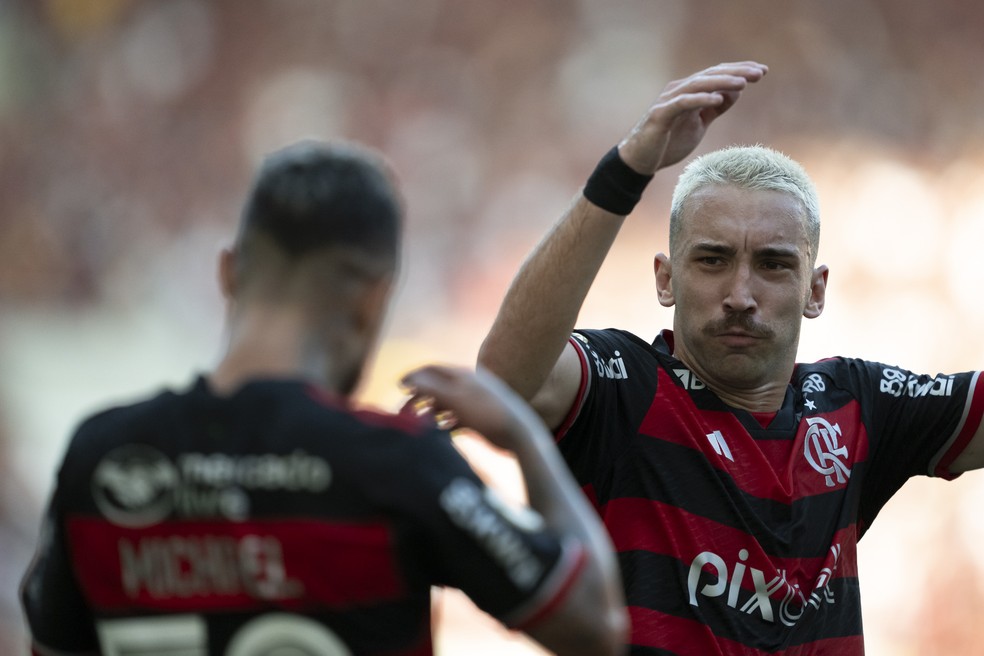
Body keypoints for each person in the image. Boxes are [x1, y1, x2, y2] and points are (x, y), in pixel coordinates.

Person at [20, 140, 628, 656]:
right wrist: (523, 434)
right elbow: (597, 623)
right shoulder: (396, 464)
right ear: (371, 299)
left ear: (229, 272)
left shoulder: (101, 454)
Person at [478, 60, 984, 655]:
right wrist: (627, 171)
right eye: (712, 260)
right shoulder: (627, 388)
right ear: (665, 279)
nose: (740, 296)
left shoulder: (858, 407)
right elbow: (506, 380)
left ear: (815, 291)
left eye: (772, 265)